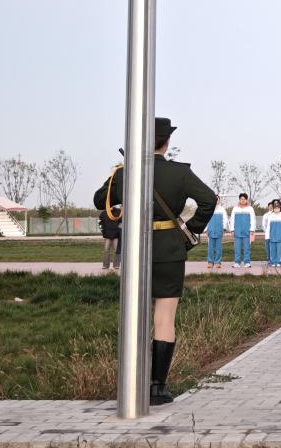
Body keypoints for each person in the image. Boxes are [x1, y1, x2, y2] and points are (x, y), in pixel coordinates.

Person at [93, 117, 217, 405]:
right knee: (164, 317)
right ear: (167, 142)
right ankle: (157, 387)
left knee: (133, 315)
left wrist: (115, 176)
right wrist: (191, 229)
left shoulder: (125, 173)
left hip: (136, 247)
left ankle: (131, 383)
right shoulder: (180, 172)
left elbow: (100, 201)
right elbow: (209, 200)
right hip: (169, 249)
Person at [230, 193, 256, 268]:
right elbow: (232, 220)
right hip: (237, 231)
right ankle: (237, 262)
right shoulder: (235, 208)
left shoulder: (250, 208)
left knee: (247, 248)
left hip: (247, 231)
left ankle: (247, 262)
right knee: (237, 248)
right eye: (241, 199)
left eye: (244, 199)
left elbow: (253, 220)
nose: (243, 200)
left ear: (246, 200)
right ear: (239, 200)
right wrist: (232, 230)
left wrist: (252, 230)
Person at [262, 200, 281, 268]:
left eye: (278, 208)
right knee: (272, 250)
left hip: (280, 237)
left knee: (279, 250)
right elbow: (268, 227)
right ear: (273, 209)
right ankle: (273, 262)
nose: (276, 209)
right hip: (272, 237)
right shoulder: (270, 216)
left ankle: (278, 262)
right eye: (275, 208)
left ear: (280, 208)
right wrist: (267, 236)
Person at [205, 199, 227, 269]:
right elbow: (205, 220)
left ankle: (218, 262)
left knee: (218, 247)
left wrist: (224, 228)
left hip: (219, 230)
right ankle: (210, 262)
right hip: (210, 230)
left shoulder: (222, 209)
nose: (216, 200)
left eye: (217, 199)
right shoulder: (208, 209)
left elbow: (225, 219)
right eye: (215, 199)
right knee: (210, 247)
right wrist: (206, 229)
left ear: (219, 201)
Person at [99, 207, 122, 272]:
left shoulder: (119, 212)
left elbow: (121, 222)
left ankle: (116, 265)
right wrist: (103, 232)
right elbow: (99, 223)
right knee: (106, 250)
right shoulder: (103, 213)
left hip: (116, 236)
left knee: (117, 251)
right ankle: (105, 265)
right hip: (107, 236)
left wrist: (119, 231)